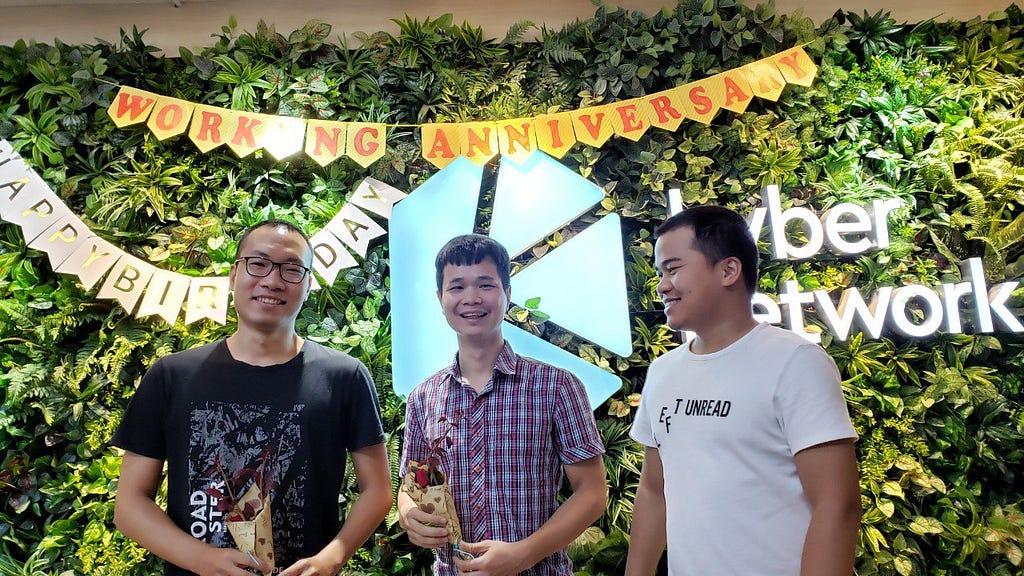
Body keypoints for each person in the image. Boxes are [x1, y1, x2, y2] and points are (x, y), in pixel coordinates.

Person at [113, 219, 393, 576]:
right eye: (258, 264)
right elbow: (130, 504)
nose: (273, 280)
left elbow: (378, 489)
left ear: (308, 285)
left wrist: (332, 557)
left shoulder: (343, 377)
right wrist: (204, 560)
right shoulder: (172, 376)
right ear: (233, 275)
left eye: (292, 269)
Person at [625, 206, 861, 576]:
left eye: (673, 268)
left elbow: (837, 504)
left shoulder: (796, 362)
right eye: (660, 273)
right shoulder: (663, 372)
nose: (662, 285)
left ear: (728, 270)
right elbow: (654, 492)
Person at [398, 234, 608, 576]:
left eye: (485, 284)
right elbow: (412, 485)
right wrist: (408, 513)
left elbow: (592, 493)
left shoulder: (557, 387)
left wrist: (524, 554)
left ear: (507, 294)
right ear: (440, 298)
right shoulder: (424, 397)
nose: (471, 298)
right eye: (457, 287)